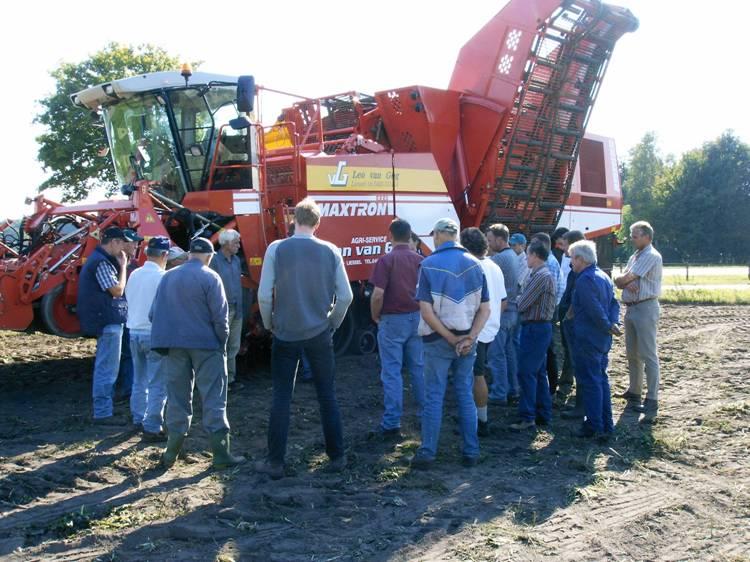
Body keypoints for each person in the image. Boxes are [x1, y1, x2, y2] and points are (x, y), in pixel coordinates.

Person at [256, 198, 353, 479]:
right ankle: (337, 457)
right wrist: (331, 324)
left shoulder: (276, 249)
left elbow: (264, 295)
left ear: (293, 220)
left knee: (281, 398)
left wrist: (269, 323)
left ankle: (275, 462)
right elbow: (345, 297)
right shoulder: (331, 250)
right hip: (318, 333)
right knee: (327, 396)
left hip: (285, 333)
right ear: (317, 223)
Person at [150, 237, 245, 470]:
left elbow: (153, 314)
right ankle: (222, 456)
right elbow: (221, 319)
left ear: (189, 254)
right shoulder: (211, 277)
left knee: (177, 398)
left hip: (174, 347)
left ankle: (171, 454)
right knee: (214, 398)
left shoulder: (168, 277)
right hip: (207, 347)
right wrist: (221, 344)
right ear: (210, 256)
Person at [410, 218, 490, 469]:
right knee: (465, 393)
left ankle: (427, 453)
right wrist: (470, 337)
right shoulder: (476, 265)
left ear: (438, 236)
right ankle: (471, 452)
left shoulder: (429, 264)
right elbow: (485, 309)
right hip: (467, 340)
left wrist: (449, 337)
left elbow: (426, 311)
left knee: (434, 395)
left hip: (437, 340)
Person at [369, 218, 425, 439]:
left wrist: (375, 315)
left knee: (391, 371)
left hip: (392, 320)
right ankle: (424, 416)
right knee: (418, 368)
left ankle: (392, 423)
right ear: (410, 235)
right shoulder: (421, 260)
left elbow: (378, 294)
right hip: (417, 318)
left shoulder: (386, 260)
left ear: (390, 235)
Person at [568, 240, 621, 439]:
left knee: (590, 382)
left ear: (581, 259)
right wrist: (613, 324)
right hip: (602, 338)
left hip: (588, 337)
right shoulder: (604, 277)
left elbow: (594, 310)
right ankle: (606, 424)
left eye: (572, 258)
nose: (571, 262)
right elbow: (614, 303)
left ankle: (594, 425)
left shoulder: (584, 280)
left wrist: (608, 325)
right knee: (601, 380)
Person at [77, 227, 129, 423]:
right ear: (113, 242)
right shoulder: (102, 263)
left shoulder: (97, 259)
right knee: (107, 368)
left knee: (107, 367)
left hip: (105, 319)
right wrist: (123, 267)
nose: (124, 247)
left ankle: (104, 410)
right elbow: (117, 290)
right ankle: (103, 413)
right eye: (122, 243)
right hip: (107, 320)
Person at [614, 221, 663, 423]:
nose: (632, 238)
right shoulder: (635, 256)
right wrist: (624, 279)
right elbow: (619, 279)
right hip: (632, 308)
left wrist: (625, 279)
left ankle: (652, 398)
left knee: (648, 354)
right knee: (632, 353)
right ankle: (634, 391)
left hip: (645, 307)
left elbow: (626, 277)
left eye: (635, 235)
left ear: (646, 237)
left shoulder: (651, 255)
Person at [460, 227, 506, 437]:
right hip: (490, 329)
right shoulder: (494, 266)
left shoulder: (472, 266)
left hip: (475, 331)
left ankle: (481, 421)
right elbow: (503, 301)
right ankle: (475, 415)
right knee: (475, 375)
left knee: (476, 376)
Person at [124, 236, 170, 441]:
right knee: (158, 382)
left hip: (133, 330)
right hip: (154, 334)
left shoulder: (134, 274)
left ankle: (137, 417)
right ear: (164, 255)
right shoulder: (163, 277)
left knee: (139, 379)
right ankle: (152, 425)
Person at [510, 241, 556, 431]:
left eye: (528, 255)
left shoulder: (540, 277)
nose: (526, 258)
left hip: (535, 328)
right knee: (538, 372)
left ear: (536, 255)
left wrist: (519, 298)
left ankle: (528, 416)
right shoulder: (542, 275)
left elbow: (522, 304)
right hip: (540, 328)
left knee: (526, 372)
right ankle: (543, 413)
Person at [486, 224, 520, 405]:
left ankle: (499, 393)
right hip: (513, 310)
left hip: (502, 312)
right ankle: (513, 389)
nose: (489, 244)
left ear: (500, 240)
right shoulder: (513, 256)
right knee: (509, 353)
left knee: (496, 355)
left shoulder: (499, 259)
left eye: (491, 241)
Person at [531, 232, 564, 396]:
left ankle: (551, 386)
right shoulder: (551, 261)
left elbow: (549, 290)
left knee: (548, 350)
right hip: (549, 311)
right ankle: (551, 384)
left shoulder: (548, 264)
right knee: (549, 349)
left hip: (545, 313)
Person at [210, 229, 244, 388]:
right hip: (223, 310)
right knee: (220, 346)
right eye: (236, 242)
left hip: (237, 309)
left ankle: (230, 378)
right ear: (226, 243)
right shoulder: (215, 261)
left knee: (233, 346)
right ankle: (219, 380)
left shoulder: (236, 260)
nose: (239, 245)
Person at [558, 230, 587, 420]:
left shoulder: (582, 273)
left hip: (574, 320)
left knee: (579, 360)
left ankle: (581, 405)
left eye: (567, 244)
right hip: (569, 316)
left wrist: (568, 315)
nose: (564, 247)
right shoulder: (573, 266)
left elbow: (577, 298)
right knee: (571, 354)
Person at [114, 228, 144, 404]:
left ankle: (128, 388)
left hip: (129, 315)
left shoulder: (131, 265)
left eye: (136, 242)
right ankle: (127, 390)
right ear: (122, 243)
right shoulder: (120, 265)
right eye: (132, 242)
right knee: (127, 355)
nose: (136, 245)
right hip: (124, 315)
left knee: (127, 354)